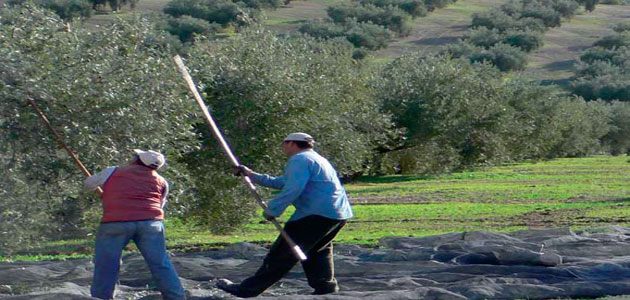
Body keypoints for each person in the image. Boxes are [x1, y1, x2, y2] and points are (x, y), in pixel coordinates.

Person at [216, 132, 353, 298]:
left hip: (315, 214)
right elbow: (282, 182)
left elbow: (293, 189)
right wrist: (251, 175)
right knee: (317, 251)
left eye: (284, 143)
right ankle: (326, 287)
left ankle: (247, 290)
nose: (283, 147)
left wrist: (273, 209)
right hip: (337, 214)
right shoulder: (315, 158)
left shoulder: (299, 160)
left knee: (282, 254)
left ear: (292, 144)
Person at [84, 149, 186, 300]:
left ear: (136, 159)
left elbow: (88, 185)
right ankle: (176, 297)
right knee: (160, 263)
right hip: (151, 225)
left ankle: (102, 297)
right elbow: (159, 204)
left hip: (116, 223)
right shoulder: (162, 181)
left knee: (107, 263)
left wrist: (105, 188)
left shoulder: (112, 172)